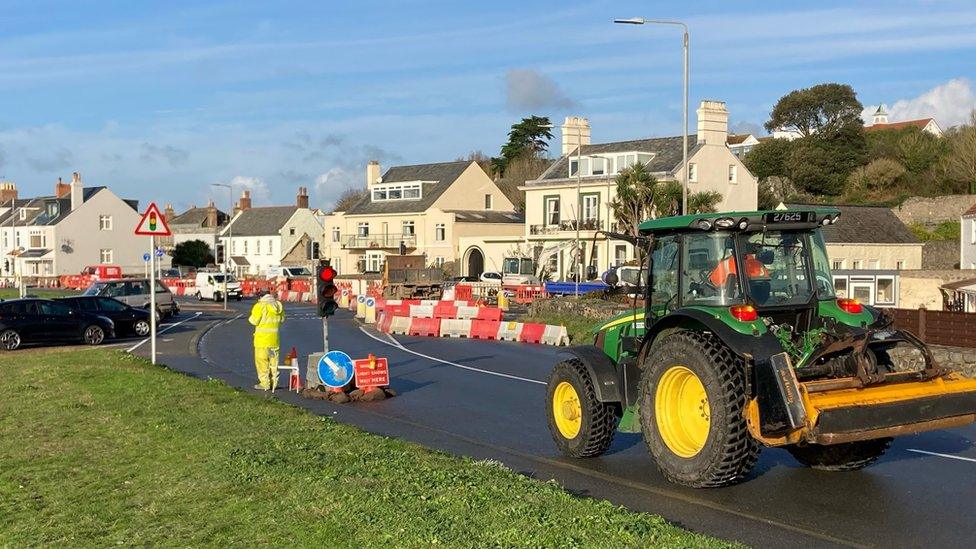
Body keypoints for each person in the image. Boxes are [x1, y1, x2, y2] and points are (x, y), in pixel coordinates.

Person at [248, 291, 286, 391]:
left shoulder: (260, 306)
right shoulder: (278, 305)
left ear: (261, 296)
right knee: (274, 363)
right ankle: (274, 384)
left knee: (262, 363)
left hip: (262, 341)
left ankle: (265, 384)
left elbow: (253, 321)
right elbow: (282, 320)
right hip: (274, 340)